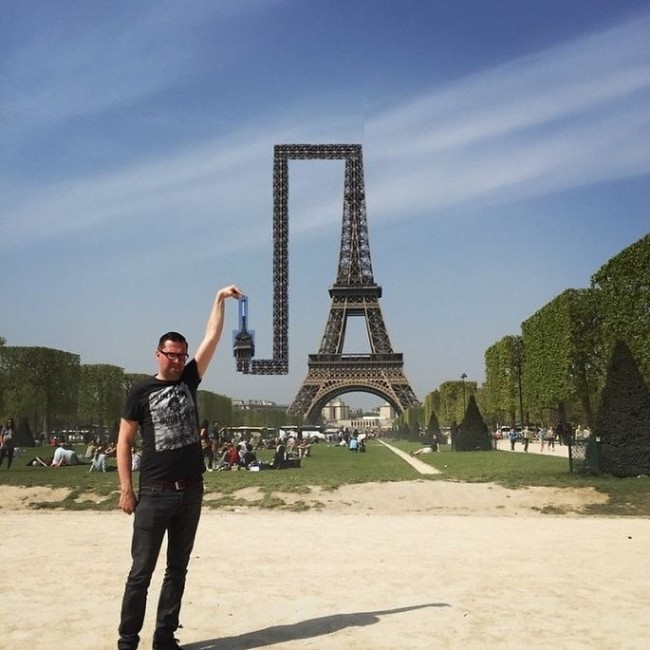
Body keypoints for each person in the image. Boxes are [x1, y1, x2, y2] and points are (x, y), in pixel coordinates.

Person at [116, 284, 243, 650]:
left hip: (190, 491)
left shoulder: (190, 379)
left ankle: (164, 637)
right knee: (140, 573)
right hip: (154, 494)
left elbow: (212, 337)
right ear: (158, 354)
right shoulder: (139, 392)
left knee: (177, 570)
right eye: (170, 355)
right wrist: (126, 489)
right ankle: (127, 641)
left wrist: (218, 298)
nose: (175, 360)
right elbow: (124, 442)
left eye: (181, 355)